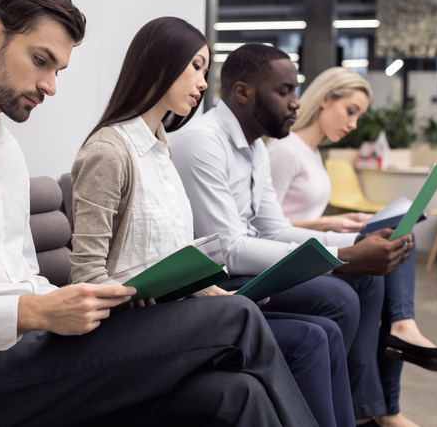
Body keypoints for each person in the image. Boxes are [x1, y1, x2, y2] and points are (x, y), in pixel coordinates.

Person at [0, 0, 318, 427]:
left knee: (235, 396)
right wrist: (31, 313)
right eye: (41, 61)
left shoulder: (3, 147)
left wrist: (77, 302)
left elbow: (19, 275)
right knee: (237, 317)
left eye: (58, 70)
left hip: (26, 349)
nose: (50, 86)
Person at [70, 17, 352, 427]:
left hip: (173, 311)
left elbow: (172, 257)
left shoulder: (161, 151)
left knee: (306, 330)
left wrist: (210, 292)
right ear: (160, 65)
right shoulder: (109, 151)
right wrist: (137, 292)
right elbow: (86, 276)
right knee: (273, 325)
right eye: (196, 67)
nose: (204, 83)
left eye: (206, 69)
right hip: (130, 326)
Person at [171, 43, 416, 427]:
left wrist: (350, 246)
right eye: (284, 92)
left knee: (353, 290)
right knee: (338, 298)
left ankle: (353, 411)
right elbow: (230, 251)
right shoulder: (203, 141)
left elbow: (275, 228)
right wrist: (344, 258)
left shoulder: (257, 149)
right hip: (217, 280)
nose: (296, 104)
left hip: (245, 265)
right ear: (243, 92)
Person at [267, 66, 437, 425]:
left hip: (313, 244)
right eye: (351, 111)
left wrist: (333, 222)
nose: (354, 124)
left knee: (396, 239)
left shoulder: (311, 152)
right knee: (387, 256)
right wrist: (328, 223)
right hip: (290, 255)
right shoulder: (285, 150)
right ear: (326, 99)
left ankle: (395, 368)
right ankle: (396, 363)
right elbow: (265, 226)